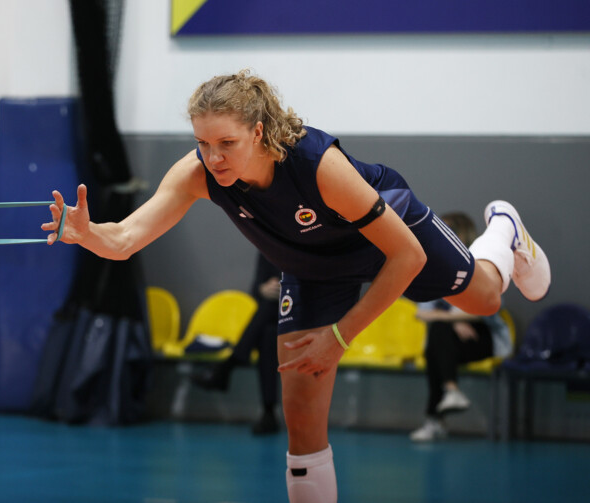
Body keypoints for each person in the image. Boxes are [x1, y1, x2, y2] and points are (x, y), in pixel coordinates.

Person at [42, 69, 550, 503]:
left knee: (485, 299)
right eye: (202, 143)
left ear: (258, 132)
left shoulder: (316, 165)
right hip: (312, 269)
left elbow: (408, 256)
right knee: (302, 415)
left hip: (386, 236)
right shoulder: (198, 174)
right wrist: (88, 234)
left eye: (226, 143)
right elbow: (126, 238)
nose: (213, 157)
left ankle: (504, 229)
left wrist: (341, 336)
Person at [409, 212, 513, 442]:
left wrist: (449, 318)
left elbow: (490, 305)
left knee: (437, 341)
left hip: (482, 337)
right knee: (437, 341)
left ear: (463, 235)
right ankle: (451, 392)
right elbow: (422, 313)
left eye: (450, 231)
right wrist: (456, 320)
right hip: (451, 340)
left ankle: (435, 419)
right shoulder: (433, 267)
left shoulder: (481, 263)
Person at [192, 253, 281, 435]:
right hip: (275, 321)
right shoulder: (268, 247)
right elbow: (256, 288)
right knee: (267, 335)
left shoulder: (304, 244)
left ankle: (228, 366)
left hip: (303, 314)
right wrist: (263, 289)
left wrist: (288, 290)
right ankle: (269, 414)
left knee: (269, 310)